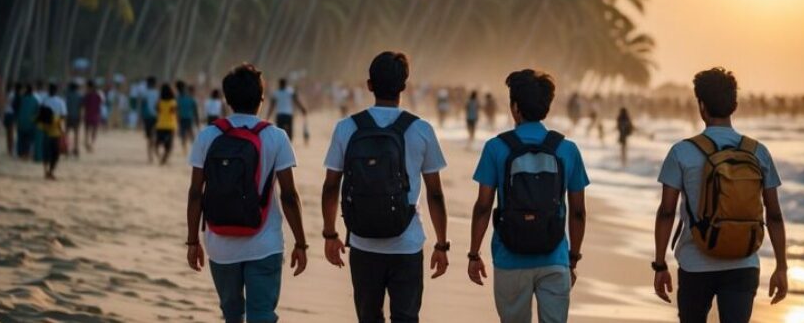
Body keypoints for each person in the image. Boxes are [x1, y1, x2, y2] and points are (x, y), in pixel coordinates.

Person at [321, 52, 449, 323]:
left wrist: (330, 234)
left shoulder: (347, 128)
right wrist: (441, 244)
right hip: (407, 242)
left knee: (368, 318)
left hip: (363, 241)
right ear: (404, 86)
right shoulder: (421, 129)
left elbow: (331, 186)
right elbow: (435, 193)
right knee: (406, 317)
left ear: (369, 85)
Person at [652, 67, 788, 323]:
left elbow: (667, 211)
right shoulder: (758, 152)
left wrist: (660, 265)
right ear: (733, 106)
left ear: (701, 106)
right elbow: (775, 215)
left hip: (695, 264)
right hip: (744, 263)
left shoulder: (682, 152)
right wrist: (781, 267)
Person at [186, 63, 308, 323]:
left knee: (232, 314)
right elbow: (289, 195)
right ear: (261, 99)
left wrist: (192, 241)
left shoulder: (208, 135)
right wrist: (300, 242)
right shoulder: (276, 137)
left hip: (220, 244)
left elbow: (196, 193)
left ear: (227, 100)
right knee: (262, 315)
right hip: (265, 244)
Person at [467, 69, 589, 323]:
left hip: (510, 257)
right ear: (546, 107)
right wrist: (572, 259)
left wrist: (474, 254)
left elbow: (483, 206)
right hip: (554, 256)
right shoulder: (567, 149)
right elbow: (578, 212)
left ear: (515, 107)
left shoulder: (496, 147)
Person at [39, 83, 67, 180]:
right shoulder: (60, 102)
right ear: (56, 91)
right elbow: (63, 116)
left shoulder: (44, 101)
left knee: (46, 152)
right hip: (56, 130)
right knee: (55, 153)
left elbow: (40, 115)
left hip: (45, 129)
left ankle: (46, 171)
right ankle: (50, 171)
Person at [155, 84, 178, 166]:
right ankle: (163, 160)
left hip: (160, 125)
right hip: (170, 126)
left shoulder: (159, 102)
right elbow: (174, 113)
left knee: (157, 143)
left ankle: (159, 156)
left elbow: (157, 110)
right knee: (169, 146)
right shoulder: (173, 102)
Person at [15, 84, 39, 159]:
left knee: (21, 139)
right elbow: (37, 112)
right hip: (30, 123)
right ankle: (26, 154)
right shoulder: (35, 100)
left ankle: (21, 154)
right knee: (28, 140)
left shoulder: (21, 99)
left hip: (20, 122)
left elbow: (16, 108)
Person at [176, 82, 199, 153]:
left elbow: (177, 110)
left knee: (184, 134)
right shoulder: (190, 98)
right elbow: (195, 110)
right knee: (190, 133)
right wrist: (197, 120)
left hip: (182, 118)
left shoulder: (178, 98)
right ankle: (194, 148)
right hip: (188, 118)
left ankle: (185, 149)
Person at [141, 77, 160, 163]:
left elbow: (143, 106)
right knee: (154, 137)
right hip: (156, 117)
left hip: (147, 117)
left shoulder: (145, 93)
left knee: (150, 138)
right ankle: (154, 154)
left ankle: (150, 156)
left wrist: (141, 118)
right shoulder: (158, 93)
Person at [82, 80, 104, 153]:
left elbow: (84, 105)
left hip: (88, 115)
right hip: (95, 115)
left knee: (87, 131)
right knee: (93, 131)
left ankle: (87, 143)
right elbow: (101, 104)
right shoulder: (98, 95)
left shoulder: (87, 95)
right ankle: (91, 144)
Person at [4, 83, 21, 156]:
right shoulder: (14, 95)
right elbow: (14, 106)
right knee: (10, 133)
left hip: (7, 113)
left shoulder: (9, 94)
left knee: (8, 133)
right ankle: (10, 150)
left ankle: (9, 149)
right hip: (11, 114)